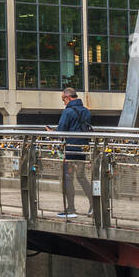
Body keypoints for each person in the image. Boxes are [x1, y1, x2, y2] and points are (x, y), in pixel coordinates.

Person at [54, 87, 94, 218]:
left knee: (68, 178)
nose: (63, 102)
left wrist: (51, 133)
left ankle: (71, 209)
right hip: (83, 148)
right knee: (82, 177)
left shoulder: (68, 112)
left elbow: (61, 131)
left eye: (63, 99)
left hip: (71, 149)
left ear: (67, 97)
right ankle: (93, 205)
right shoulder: (86, 111)